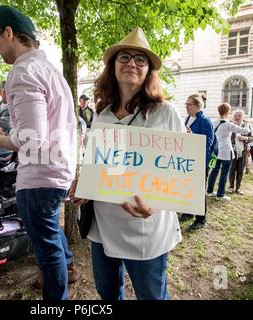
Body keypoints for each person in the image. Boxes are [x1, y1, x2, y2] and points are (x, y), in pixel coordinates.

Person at [69, 27, 184, 300]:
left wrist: (156, 203)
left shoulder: (165, 112)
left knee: (152, 296)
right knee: (108, 293)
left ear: (148, 72)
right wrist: (85, 184)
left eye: (140, 59)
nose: (132, 63)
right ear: (113, 66)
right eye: (124, 57)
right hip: (103, 229)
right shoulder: (103, 113)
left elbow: (183, 171)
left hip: (146, 230)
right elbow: (99, 162)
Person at [0, 5, 78, 300]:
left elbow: (32, 140)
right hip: (57, 171)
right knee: (50, 237)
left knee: (46, 251)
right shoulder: (51, 71)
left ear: (8, 33)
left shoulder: (22, 72)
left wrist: (0, 139)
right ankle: (68, 269)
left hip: (39, 176)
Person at [179, 94, 214, 230]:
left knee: (199, 190)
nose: (186, 106)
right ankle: (188, 212)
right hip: (187, 160)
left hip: (199, 161)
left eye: (189, 104)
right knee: (187, 187)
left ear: (198, 106)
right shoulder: (187, 118)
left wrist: (191, 136)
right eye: (186, 104)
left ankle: (201, 219)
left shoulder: (205, 121)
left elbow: (208, 143)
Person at [206, 103, 250, 201]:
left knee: (214, 171)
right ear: (227, 112)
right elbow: (245, 131)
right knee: (224, 173)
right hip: (226, 151)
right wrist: (246, 124)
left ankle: (209, 191)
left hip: (217, 151)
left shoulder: (214, 123)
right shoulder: (229, 125)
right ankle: (220, 194)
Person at [228, 109, 252, 195]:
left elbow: (251, 138)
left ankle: (238, 187)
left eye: (239, 115)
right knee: (232, 169)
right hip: (233, 149)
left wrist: (244, 138)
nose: (237, 117)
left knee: (240, 170)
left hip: (243, 150)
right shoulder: (230, 124)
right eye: (235, 115)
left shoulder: (246, 125)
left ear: (242, 116)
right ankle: (231, 187)